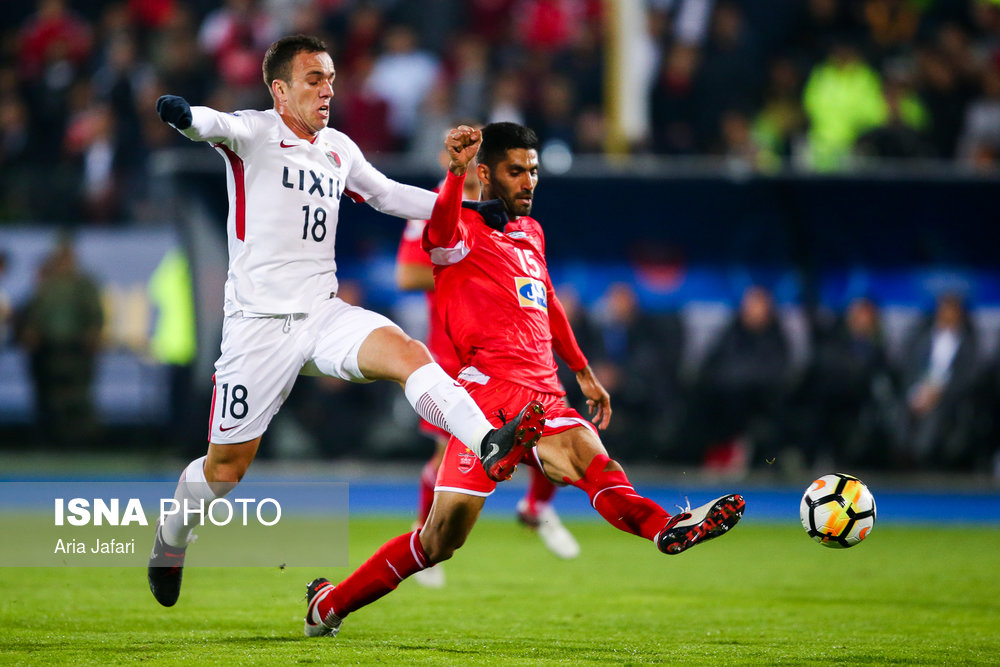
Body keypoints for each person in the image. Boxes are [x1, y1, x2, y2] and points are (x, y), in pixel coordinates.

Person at [146, 35, 546, 608]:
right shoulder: (256, 132)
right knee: (225, 471)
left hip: (322, 313)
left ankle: (487, 441)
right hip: (258, 327)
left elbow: (387, 195)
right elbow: (213, 125)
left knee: (408, 353)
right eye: (314, 79)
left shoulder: (338, 148)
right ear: (280, 89)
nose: (327, 89)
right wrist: (185, 116)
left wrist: (471, 207)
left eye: (331, 79)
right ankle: (172, 537)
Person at [303, 122, 745, 638]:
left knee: (598, 466)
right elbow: (438, 233)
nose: (529, 181)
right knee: (438, 540)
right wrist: (455, 173)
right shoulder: (456, 224)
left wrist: (582, 370)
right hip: (485, 399)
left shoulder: (531, 232)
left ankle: (665, 527)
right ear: (486, 173)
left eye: (533, 171)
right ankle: (329, 606)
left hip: (545, 393)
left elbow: (549, 300)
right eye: (516, 171)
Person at [395, 137, 579, 588]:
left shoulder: (511, 215)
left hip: (512, 347)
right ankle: (425, 540)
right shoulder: (434, 207)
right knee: (450, 450)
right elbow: (407, 273)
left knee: (553, 417)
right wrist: (474, 271)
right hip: (455, 351)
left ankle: (536, 507)